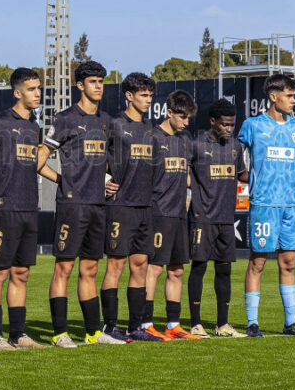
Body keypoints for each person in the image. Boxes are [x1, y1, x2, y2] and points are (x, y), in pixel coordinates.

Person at [42, 60, 124, 347]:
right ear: (80, 86)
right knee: (63, 268)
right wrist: (63, 181)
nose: (99, 86)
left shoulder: (107, 122)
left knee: (90, 270)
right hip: (71, 206)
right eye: (93, 81)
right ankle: (59, 332)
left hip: (98, 206)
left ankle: (92, 333)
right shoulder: (65, 118)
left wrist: (107, 181)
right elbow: (39, 160)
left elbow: (105, 164)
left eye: (101, 81)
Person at [238, 73, 295, 338]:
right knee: (258, 263)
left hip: (290, 205)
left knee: (289, 263)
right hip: (263, 204)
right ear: (273, 97)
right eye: (289, 96)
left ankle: (291, 323)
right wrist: (244, 176)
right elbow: (234, 157)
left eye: (293, 96)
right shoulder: (252, 125)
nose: (293, 101)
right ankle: (253, 323)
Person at [0, 68, 57, 350]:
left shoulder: (33, 127)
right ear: (17, 92)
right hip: (4, 207)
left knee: (21, 273)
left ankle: (18, 334)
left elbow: (35, 164)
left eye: (39, 88)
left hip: (28, 207)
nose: (38, 93)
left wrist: (62, 179)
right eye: (32, 89)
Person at [102, 72, 162, 342]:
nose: (148, 100)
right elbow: (96, 158)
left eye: (150, 95)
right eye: (143, 95)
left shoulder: (151, 128)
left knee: (140, 265)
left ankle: (135, 327)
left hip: (144, 207)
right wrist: (104, 180)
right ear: (129, 95)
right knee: (116, 266)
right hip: (120, 206)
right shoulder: (114, 124)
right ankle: (109, 326)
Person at [141, 90, 204, 341]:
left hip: (180, 213)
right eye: (182, 116)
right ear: (169, 113)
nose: (186, 122)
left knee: (176, 271)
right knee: (153, 269)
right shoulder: (152, 137)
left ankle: (173, 325)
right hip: (158, 212)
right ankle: (145, 323)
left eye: (189, 117)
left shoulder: (186, 140)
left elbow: (186, 175)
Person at [186, 98, 248, 338]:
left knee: (224, 271)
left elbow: (241, 175)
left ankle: (223, 325)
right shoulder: (196, 145)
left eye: (232, 125)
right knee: (199, 268)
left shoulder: (235, 147)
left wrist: (264, 174)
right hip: (202, 217)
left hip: (225, 218)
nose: (229, 129)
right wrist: (197, 188)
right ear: (212, 122)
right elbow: (182, 173)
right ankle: (195, 323)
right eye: (224, 124)